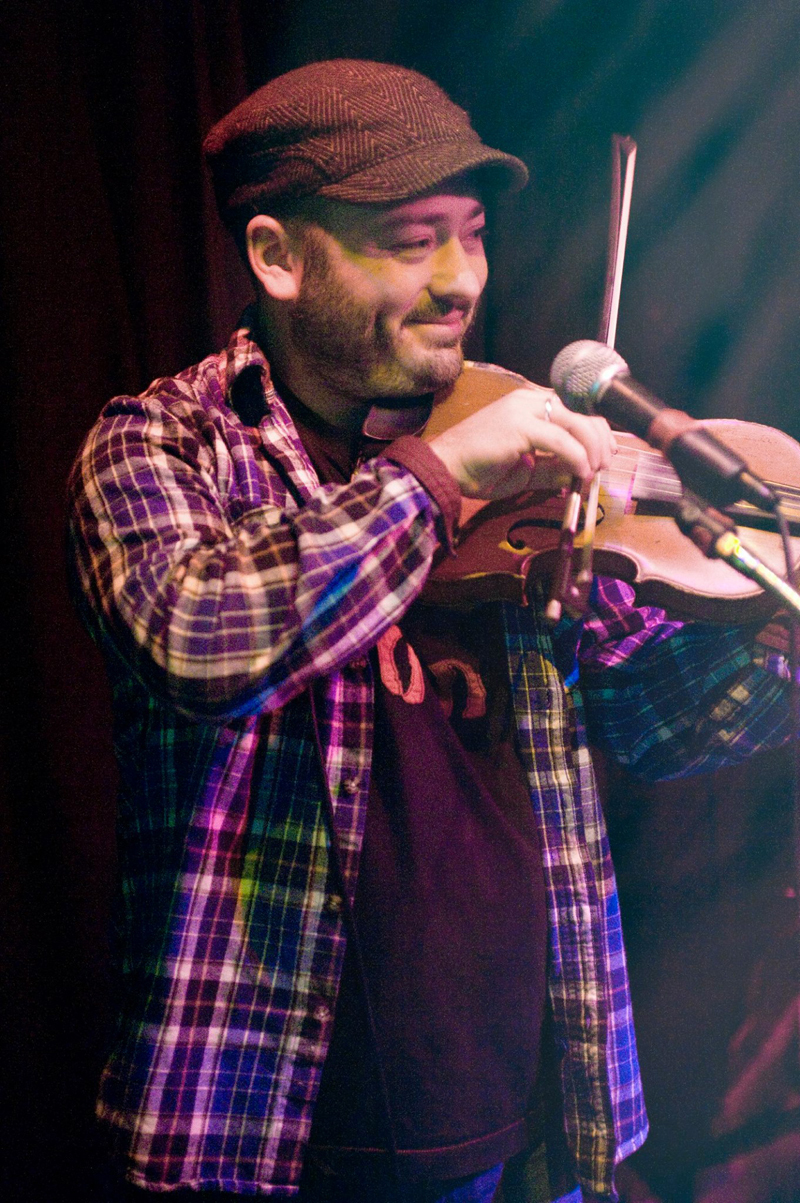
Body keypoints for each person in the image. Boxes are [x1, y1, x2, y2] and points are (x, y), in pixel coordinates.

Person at [67, 59, 792, 1203]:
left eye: (469, 236)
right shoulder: (162, 447)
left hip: (531, 1103)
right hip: (268, 1121)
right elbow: (199, 639)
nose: (461, 279)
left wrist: (777, 648)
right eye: (411, 241)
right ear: (277, 257)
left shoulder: (520, 472)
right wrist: (437, 474)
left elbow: (650, 724)